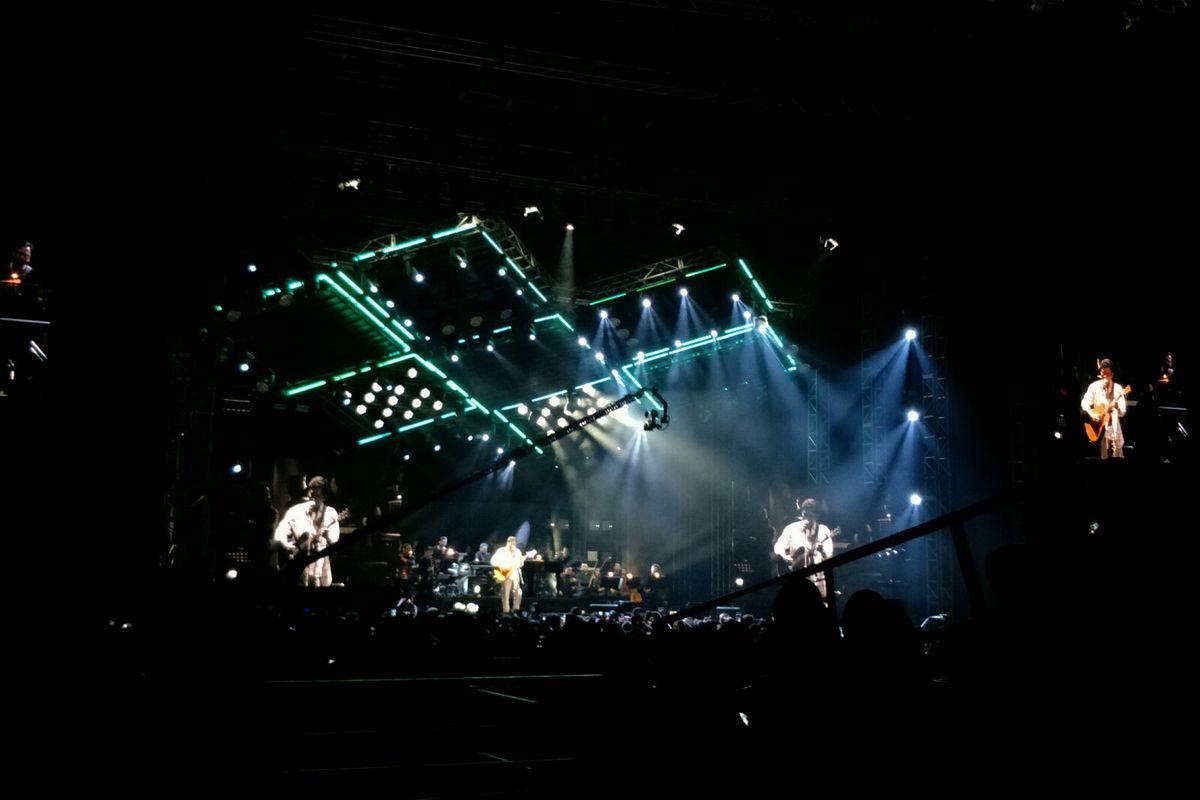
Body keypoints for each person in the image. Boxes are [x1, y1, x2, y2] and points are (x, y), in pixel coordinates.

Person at [273, 475, 341, 586]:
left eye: (317, 492)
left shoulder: (330, 513)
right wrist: (286, 544)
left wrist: (326, 534)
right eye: (311, 491)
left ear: (324, 496)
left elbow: (334, 540)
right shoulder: (297, 510)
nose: (312, 496)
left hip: (320, 568)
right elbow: (280, 531)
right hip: (298, 566)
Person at [773, 498, 835, 597]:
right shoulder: (791, 528)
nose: (806, 517)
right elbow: (778, 546)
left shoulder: (823, 531)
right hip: (795, 579)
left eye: (810, 515)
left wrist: (822, 551)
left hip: (817, 579)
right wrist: (785, 557)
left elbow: (829, 557)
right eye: (804, 513)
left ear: (817, 516)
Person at [1081, 358, 1128, 459]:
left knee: (1117, 457)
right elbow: (1084, 403)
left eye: (1107, 373)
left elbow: (1123, 412)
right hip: (1100, 430)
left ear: (1112, 374)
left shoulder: (1118, 389)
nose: (1105, 376)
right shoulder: (1094, 387)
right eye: (1103, 373)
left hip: (1114, 430)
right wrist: (1092, 414)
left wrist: (1117, 406)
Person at [490, 535, 525, 614]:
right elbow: (493, 561)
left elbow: (520, 564)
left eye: (514, 544)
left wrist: (521, 561)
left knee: (518, 592)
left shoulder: (518, 551)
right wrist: (502, 567)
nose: (512, 545)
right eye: (511, 543)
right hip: (506, 574)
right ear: (507, 543)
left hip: (515, 574)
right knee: (506, 593)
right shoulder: (501, 551)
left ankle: (516, 609)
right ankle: (506, 611)